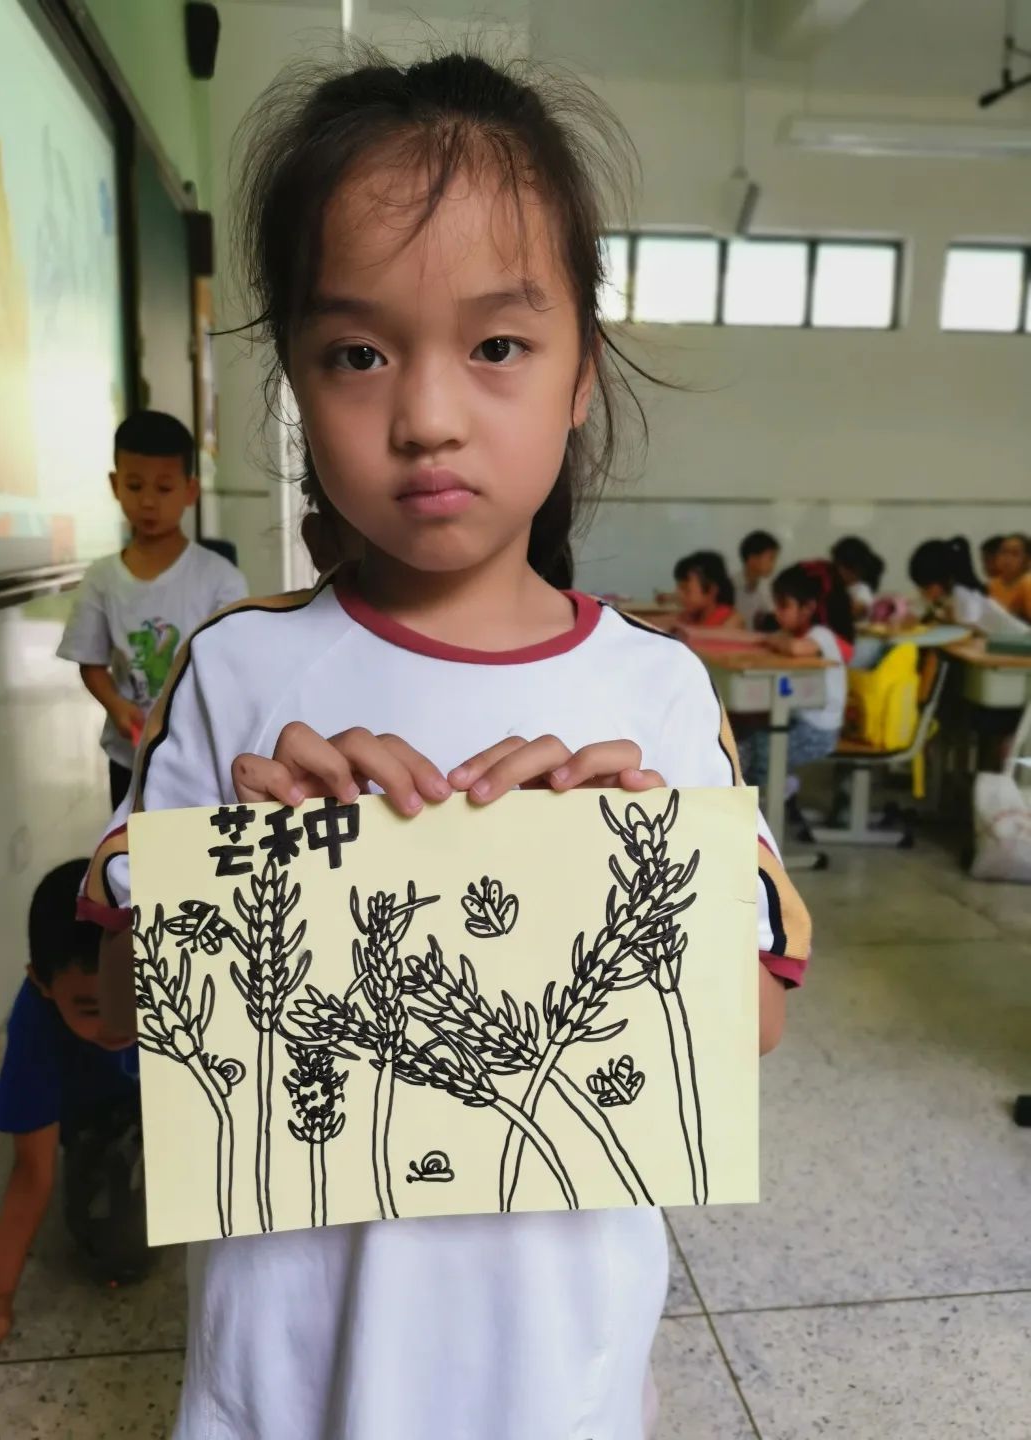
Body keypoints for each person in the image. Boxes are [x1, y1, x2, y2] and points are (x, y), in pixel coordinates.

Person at [79, 49, 811, 1440]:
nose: (423, 415)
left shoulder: (654, 690)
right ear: (295, 372)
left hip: (560, 1387)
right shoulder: (240, 672)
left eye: (496, 345)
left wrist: (640, 873)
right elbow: (118, 1021)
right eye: (356, 352)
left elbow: (754, 1022)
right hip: (284, 1389)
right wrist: (237, 878)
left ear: (581, 371)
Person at [0, 862, 144, 1378]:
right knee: (117, 1249)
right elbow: (32, 1172)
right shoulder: (35, 1026)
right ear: (40, 983)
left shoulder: (168, 979)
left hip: (172, 1103)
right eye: (89, 1007)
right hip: (99, 1117)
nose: (116, 1023)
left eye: (129, 998)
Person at [57, 411, 249, 809]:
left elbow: (234, 667)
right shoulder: (102, 578)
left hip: (198, 756)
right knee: (134, 856)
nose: (147, 501)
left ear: (190, 491)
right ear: (115, 485)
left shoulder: (221, 578)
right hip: (129, 756)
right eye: (134, 485)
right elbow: (91, 664)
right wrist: (119, 707)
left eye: (163, 488)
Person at [738, 562, 852, 786]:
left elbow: (795, 648)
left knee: (762, 750)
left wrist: (774, 639)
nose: (777, 613)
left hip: (819, 732)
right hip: (799, 721)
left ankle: (773, 800)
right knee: (744, 740)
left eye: (784, 606)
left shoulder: (821, 634)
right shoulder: (794, 633)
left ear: (808, 608)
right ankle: (776, 795)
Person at [909, 537, 1028, 638]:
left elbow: (972, 634)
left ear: (945, 578)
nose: (923, 593)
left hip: (1020, 644)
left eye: (926, 587)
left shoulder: (965, 598)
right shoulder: (948, 596)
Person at [673, 550, 743, 628]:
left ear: (711, 590)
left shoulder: (730, 622)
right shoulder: (689, 616)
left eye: (686, 590)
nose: (679, 595)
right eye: (679, 588)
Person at [734, 530, 780, 630]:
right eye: (771, 558)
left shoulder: (768, 588)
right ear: (753, 559)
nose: (773, 564)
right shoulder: (731, 586)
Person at [830, 536, 885, 619]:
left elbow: (858, 610)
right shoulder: (837, 586)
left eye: (841, 565)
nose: (836, 570)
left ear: (857, 569)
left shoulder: (862, 590)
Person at [986, 533, 1031, 623]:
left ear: (1027, 560)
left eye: (1015, 554)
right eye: (1003, 552)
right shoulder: (994, 583)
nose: (1007, 558)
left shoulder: (1027, 583)